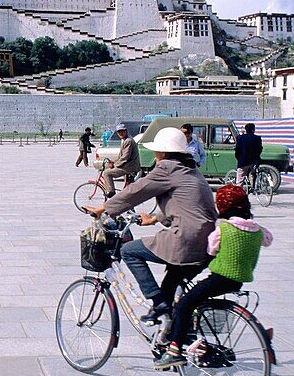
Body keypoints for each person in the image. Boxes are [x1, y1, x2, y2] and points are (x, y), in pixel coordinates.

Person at [84, 126, 217, 322]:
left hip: (187, 240)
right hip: (208, 241)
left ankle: (157, 301)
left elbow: (137, 190)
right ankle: (174, 339)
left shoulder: (167, 167)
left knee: (129, 251)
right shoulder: (190, 169)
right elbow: (188, 207)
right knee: (172, 283)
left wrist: (102, 209)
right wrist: (154, 219)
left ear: (162, 151)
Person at [155, 184, 272, 370]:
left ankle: (174, 351)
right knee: (196, 301)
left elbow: (211, 248)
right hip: (239, 280)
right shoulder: (258, 231)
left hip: (220, 278)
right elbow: (268, 240)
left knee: (184, 304)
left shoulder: (223, 229)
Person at [100, 123, 141, 197]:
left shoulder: (128, 141)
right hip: (128, 166)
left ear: (126, 131)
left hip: (129, 167)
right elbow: (121, 157)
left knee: (107, 173)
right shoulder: (125, 140)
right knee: (126, 190)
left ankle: (111, 192)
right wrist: (114, 162)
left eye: (122, 131)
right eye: (119, 132)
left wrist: (115, 165)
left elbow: (125, 157)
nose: (121, 133)